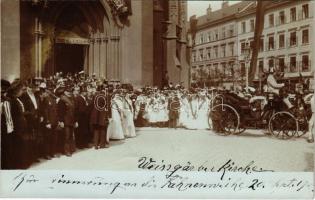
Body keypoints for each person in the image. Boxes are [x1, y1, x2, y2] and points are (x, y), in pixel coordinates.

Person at [57, 86, 78, 156]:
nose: (69, 93)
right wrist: (61, 121)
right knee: (67, 136)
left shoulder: (71, 99)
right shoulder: (61, 100)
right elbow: (60, 112)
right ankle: (66, 151)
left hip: (71, 120)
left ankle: (70, 149)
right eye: (67, 91)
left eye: (70, 91)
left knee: (70, 136)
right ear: (64, 92)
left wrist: (75, 121)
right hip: (65, 121)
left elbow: (74, 111)